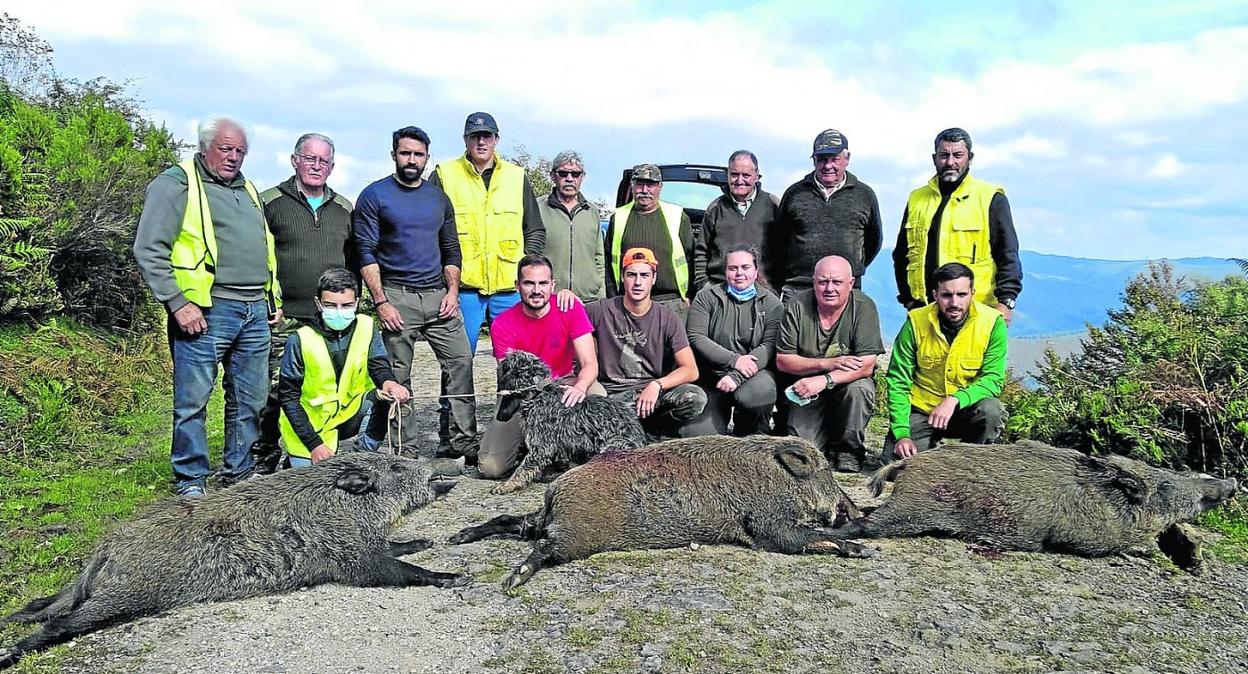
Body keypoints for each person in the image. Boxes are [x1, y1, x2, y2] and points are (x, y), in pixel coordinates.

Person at [133, 117, 281, 496]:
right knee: (193, 402)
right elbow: (149, 249)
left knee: (250, 399)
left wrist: (270, 298)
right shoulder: (176, 183)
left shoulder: (247, 187)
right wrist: (177, 302)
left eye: (240, 151)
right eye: (226, 149)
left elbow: (262, 247)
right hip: (205, 309)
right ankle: (191, 480)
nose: (233, 157)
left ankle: (240, 474)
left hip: (252, 309)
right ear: (204, 147)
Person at [354, 126, 478, 460]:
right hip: (397, 297)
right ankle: (403, 451)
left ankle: (461, 441)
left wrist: (452, 292)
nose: (412, 160)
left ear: (427, 157)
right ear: (394, 154)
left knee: (461, 364)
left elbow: (451, 248)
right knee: (398, 378)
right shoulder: (375, 196)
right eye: (405, 153)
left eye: (418, 154)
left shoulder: (437, 197)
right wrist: (381, 301)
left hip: (439, 296)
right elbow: (365, 251)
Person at [252, 132, 355, 473]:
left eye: (323, 160)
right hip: (284, 318)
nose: (316, 165)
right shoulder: (269, 202)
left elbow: (352, 260)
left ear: (332, 166)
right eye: (309, 158)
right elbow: (257, 257)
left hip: (329, 319)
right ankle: (263, 457)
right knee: (274, 392)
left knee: (322, 389)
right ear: (294, 159)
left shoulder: (344, 208)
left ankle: (317, 449)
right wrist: (267, 302)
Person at [478, 254, 606, 479]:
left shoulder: (570, 308)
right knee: (490, 467)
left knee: (597, 393)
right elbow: (513, 378)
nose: (536, 290)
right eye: (529, 283)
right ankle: (531, 446)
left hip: (566, 384)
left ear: (552, 285)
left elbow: (590, 363)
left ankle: (576, 450)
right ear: (518, 286)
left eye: (543, 283)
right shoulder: (502, 324)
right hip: (524, 395)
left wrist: (581, 386)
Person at [429, 111, 546, 355]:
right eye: (475, 136)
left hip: (509, 291)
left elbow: (534, 229)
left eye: (487, 136)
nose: (481, 142)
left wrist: (524, 269)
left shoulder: (516, 176)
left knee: (516, 361)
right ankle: (457, 397)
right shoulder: (444, 174)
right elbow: (430, 232)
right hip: (463, 291)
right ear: (465, 140)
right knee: (458, 362)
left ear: (496, 139)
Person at [278, 268, 411, 467]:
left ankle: (362, 458)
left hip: (349, 413)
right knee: (314, 485)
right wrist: (315, 446)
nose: (339, 311)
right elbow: (288, 398)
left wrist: (390, 384)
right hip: (309, 426)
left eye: (347, 305)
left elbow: (378, 365)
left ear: (357, 302)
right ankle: (297, 460)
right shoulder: (299, 339)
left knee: (384, 398)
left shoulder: (367, 325)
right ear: (318, 303)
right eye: (331, 305)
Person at [892, 127, 1022, 324]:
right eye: (944, 155)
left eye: (957, 155)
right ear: (934, 158)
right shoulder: (917, 199)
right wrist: (908, 300)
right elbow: (901, 256)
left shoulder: (990, 198)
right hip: (924, 312)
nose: (950, 162)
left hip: (977, 313)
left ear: (970, 158)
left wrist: (1006, 302)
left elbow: (1008, 254)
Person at [881, 262, 1008, 463]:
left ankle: (974, 461)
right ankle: (927, 449)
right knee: (895, 466)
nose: (954, 302)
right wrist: (902, 433)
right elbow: (898, 381)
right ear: (935, 295)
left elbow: (993, 380)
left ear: (972, 293)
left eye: (962, 295)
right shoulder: (915, 322)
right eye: (946, 295)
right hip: (924, 410)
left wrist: (955, 399)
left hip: (967, 409)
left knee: (992, 411)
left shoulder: (993, 323)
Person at [775, 255, 884, 472]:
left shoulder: (864, 307)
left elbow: (867, 365)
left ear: (851, 283)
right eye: (823, 282)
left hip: (845, 385)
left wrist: (825, 380)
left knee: (860, 389)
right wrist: (828, 364)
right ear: (814, 282)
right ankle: (815, 435)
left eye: (837, 282)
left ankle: (848, 450)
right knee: (804, 452)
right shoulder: (796, 305)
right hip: (805, 388)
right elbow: (784, 361)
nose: (829, 288)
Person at [587, 247, 706, 437]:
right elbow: (566, 320)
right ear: (622, 277)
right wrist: (565, 296)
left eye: (644, 275)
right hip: (611, 396)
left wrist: (657, 385)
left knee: (695, 397)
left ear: (654, 278)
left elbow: (691, 370)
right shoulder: (599, 311)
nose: (638, 282)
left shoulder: (667, 317)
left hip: (651, 394)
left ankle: (654, 430)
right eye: (631, 275)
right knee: (593, 403)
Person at [765, 129, 883, 298]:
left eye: (834, 159)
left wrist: (850, 270)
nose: (828, 166)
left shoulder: (865, 195)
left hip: (846, 291)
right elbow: (779, 242)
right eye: (821, 160)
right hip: (799, 289)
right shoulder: (794, 194)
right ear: (814, 160)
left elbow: (873, 242)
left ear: (847, 158)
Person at [685, 246, 783, 436]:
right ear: (725, 271)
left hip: (752, 374)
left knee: (759, 395)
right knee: (699, 437)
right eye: (733, 268)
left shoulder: (772, 304)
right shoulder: (706, 297)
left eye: (745, 267)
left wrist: (737, 374)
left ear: (755, 271)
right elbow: (696, 336)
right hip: (710, 376)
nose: (739, 273)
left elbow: (769, 346)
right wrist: (734, 360)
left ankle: (750, 434)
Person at [604, 164, 700, 321]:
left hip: (672, 304)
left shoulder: (677, 216)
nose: (645, 190)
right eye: (640, 184)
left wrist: (691, 296)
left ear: (660, 187)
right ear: (632, 186)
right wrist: (612, 298)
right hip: (628, 303)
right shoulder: (619, 217)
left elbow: (693, 259)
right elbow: (607, 262)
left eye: (651, 184)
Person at [693, 150, 780, 286]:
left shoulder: (773, 205)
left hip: (763, 292)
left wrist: (775, 289)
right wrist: (703, 285)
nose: (739, 180)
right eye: (734, 174)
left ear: (757, 176)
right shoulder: (716, 208)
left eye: (746, 175)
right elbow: (701, 252)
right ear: (727, 175)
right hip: (720, 291)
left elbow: (785, 250)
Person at [537, 150, 604, 309]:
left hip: (589, 300)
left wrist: (601, 296)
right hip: (551, 299)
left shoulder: (592, 211)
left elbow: (598, 257)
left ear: (582, 177)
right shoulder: (537, 208)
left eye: (575, 174)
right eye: (563, 173)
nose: (569, 179)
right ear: (553, 176)